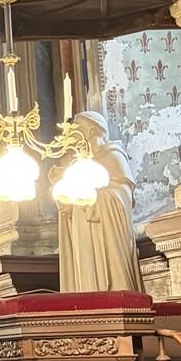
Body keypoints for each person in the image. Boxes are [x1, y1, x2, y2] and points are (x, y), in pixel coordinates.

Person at [57, 110, 142, 294]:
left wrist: (93, 198)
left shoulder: (113, 157)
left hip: (106, 237)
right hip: (84, 236)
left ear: (92, 131)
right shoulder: (78, 166)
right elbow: (72, 205)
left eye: (76, 130)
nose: (71, 137)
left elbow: (122, 199)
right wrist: (65, 200)